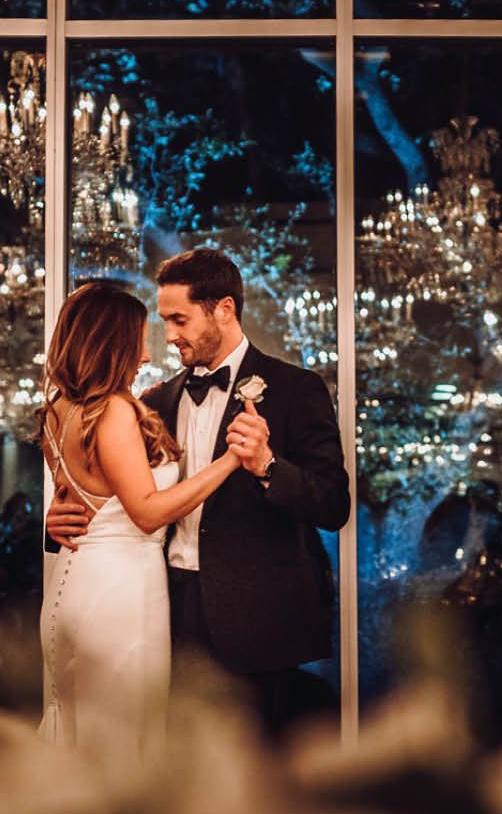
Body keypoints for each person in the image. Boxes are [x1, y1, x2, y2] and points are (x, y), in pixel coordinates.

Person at [45, 247, 350, 739]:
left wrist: (267, 466)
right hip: (161, 611)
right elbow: (107, 490)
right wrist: (53, 526)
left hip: (256, 620)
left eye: (179, 319)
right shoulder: (152, 401)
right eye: (164, 320)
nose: (169, 336)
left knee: (253, 777)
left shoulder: (296, 389)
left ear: (224, 309)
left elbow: (333, 504)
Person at [36, 280, 243, 755]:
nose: (147, 355)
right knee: (120, 738)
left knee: (77, 727)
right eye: (139, 339)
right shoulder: (111, 411)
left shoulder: (57, 412)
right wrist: (229, 461)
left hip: (74, 582)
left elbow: (84, 497)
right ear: (111, 341)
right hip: (120, 594)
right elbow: (146, 513)